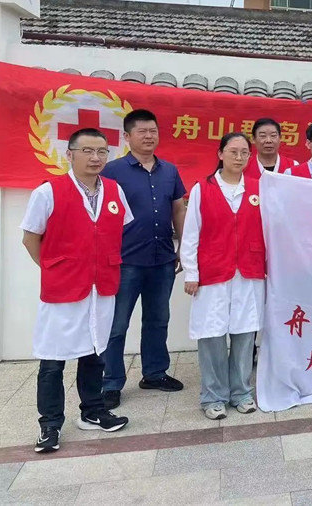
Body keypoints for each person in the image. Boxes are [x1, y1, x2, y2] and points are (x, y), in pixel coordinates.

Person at [21, 128, 132, 453]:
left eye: (102, 151)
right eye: (87, 151)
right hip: (63, 290)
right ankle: (50, 424)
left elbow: (117, 231)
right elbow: (30, 238)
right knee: (53, 359)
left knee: (96, 351)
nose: (96, 158)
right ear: (69, 154)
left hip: (102, 287)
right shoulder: (48, 192)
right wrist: (54, 269)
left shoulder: (114, 190)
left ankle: (93, 411)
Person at [100, 109, 187, 410]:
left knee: (158, 319)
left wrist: (182, 246)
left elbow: (178, 208)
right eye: (142, 131)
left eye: (153, 131)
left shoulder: (169, 171)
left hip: (162, 258)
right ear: (127, 136)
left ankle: (154, 373)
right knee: (116, 325)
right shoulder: (112, 171)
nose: (149, 136)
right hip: (125, 260)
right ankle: (110, 383)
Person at [181, 132, 265, 420]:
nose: (239, 157)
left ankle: (241, 392)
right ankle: (213, 396)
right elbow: (190, 234)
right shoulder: (202, 189)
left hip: (249, 273)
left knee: (245, 334)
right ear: (220, 154)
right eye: (233, 151)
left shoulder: (259, 188)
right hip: (213, 272)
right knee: (212, 335)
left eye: (244, 153)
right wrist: (191, 273)